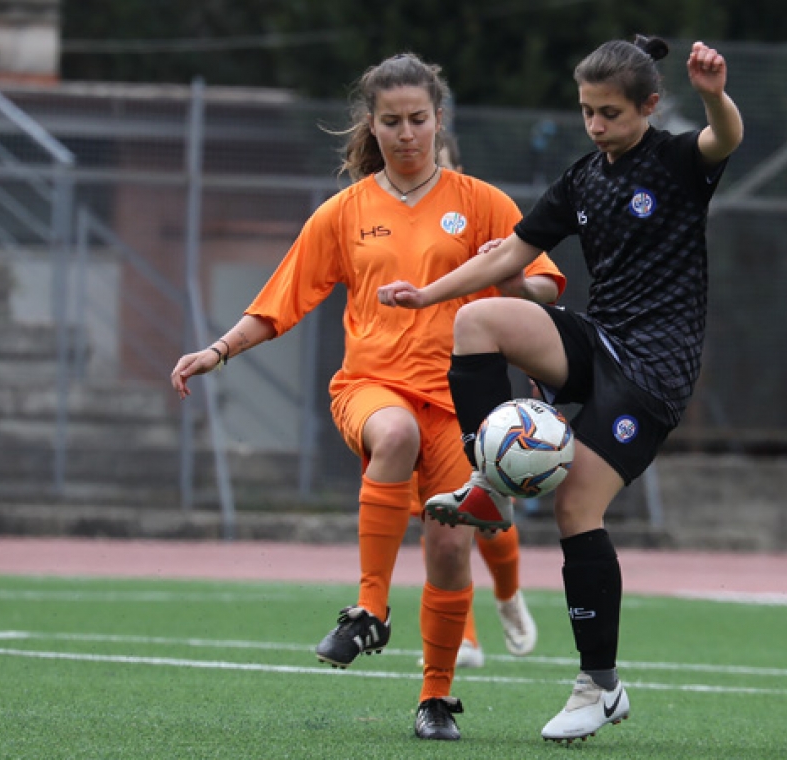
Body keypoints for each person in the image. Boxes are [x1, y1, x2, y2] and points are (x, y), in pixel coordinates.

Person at [170, 53, 565, 740]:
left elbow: (545, 283)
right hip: (371, 387)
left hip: (459, 404)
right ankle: (369, 611)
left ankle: (435, 700)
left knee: (448, 548)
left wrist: (514, 281)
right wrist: (218, 350)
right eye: (392, 121)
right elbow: (279, 303)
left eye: (419, 119)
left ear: (439, 121)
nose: (407, 132)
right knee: (395, 436)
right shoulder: (345, 212)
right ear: (371, 125)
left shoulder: (483, 203)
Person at [378, 37, 743, 742]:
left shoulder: (675, 161)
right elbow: (513, 251)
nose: (597, 125)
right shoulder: (583, 178)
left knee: (577, 504)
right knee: (481, 319)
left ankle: (598, 687)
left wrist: (713, 92)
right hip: (600, 339)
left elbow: (724, 134)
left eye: (610, 113)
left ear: (649, 106)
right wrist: (427, 296)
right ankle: (490, 482)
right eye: (587, 112)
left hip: (653, 369)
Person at [433, 132, 537, 670]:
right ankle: (465, 635)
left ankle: (508, 595)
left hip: (470, 390)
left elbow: (539, 287)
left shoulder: (482, 207)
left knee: (488, 511)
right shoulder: (375, 211)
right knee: (442, 524)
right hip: (405, 388)